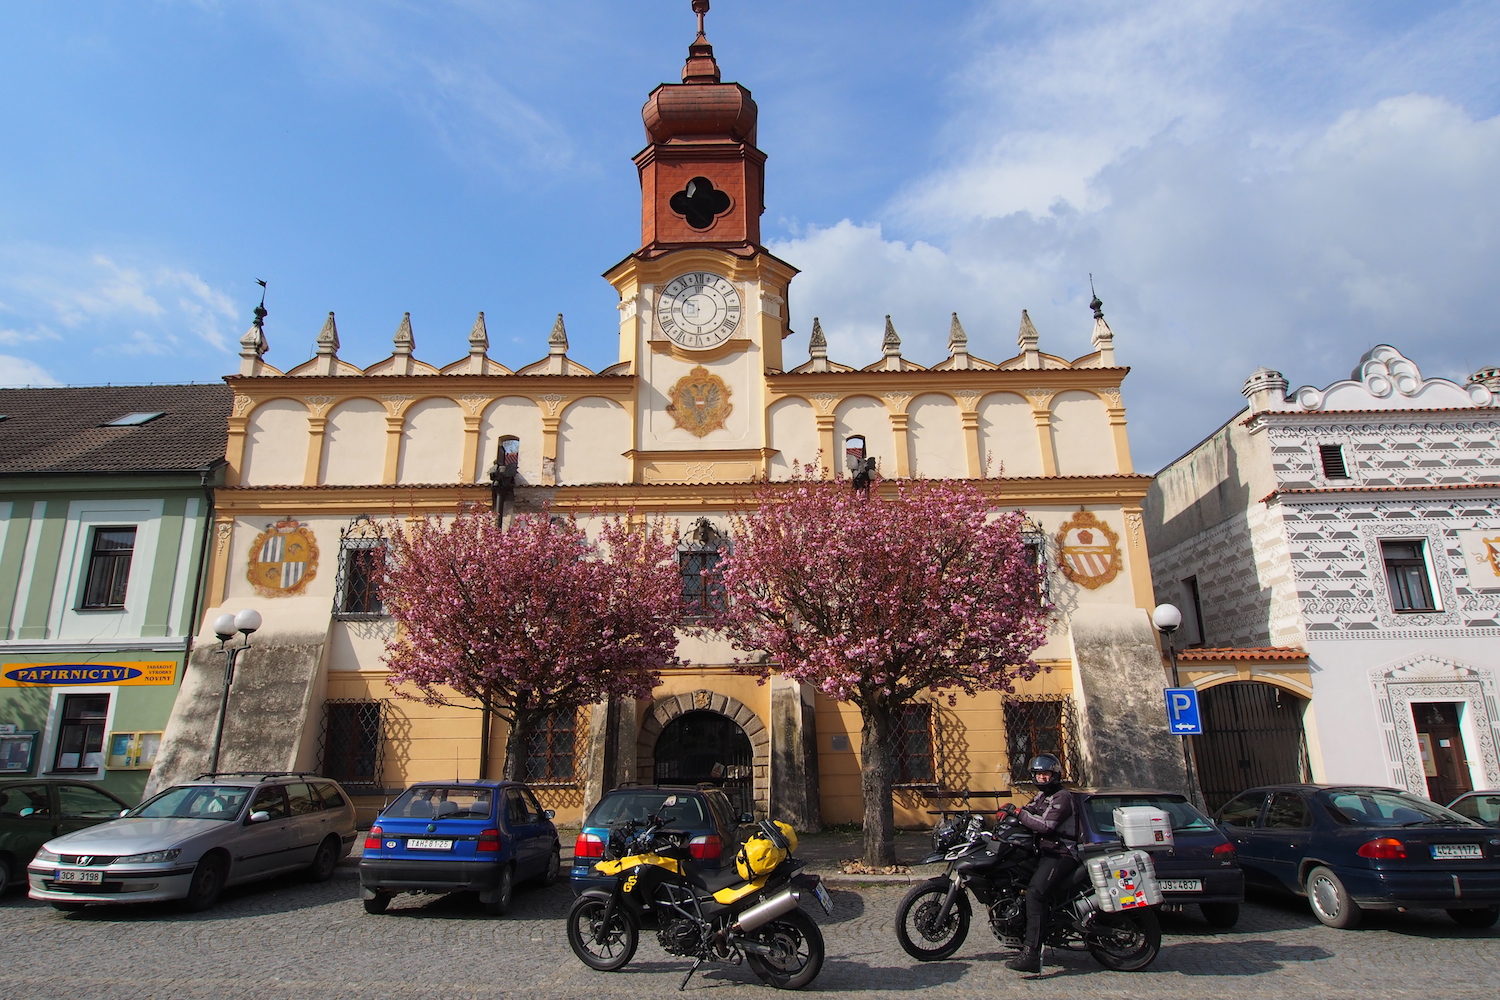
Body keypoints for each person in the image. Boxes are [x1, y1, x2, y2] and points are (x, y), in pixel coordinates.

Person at [997, 754, 1080, 973]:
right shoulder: (1042, 796)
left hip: (1061, 854)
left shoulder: (1062, 797)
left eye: (1046, 774)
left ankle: (1032, 954)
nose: (1042, 778)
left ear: (1055, 775)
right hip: (1045, 851)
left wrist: (1018, 814)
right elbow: (1029, 811)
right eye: (1038, 774)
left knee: (1035, 893)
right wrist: (1008, 812)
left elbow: (1045, 825)